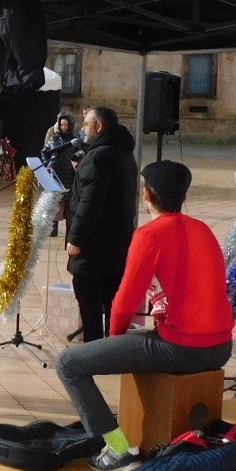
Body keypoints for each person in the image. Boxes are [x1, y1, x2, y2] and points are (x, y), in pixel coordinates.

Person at [55, 161, 234, 471]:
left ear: (146, 194)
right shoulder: (203, 229)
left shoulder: (149, 234)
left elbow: (125, 301)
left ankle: (119, 449)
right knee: (139, 344)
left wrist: (115, 340)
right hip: (222, 346)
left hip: (181, 348)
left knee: (68, 364)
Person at [64, 107, 139, 344]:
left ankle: (93, 348)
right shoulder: (123, 153)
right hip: (117, 240)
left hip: (94, 245)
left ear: (99, 126)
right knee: (111, 298)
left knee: (87, 297)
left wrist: (75, 239)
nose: (83, 129)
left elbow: (90, 203)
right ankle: (111, 347)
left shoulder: (98, 158)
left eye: (87, 124)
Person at [41, 111, 81, 240]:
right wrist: (49, 163)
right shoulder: (54, 139)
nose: (64, 127)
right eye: (62, 125)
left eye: (66, 125)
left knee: (69, 209)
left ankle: (69, 235)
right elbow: (45, 152)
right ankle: (53, 230)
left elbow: (80, 154)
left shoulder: (76, 141)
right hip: (55, 176)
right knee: (54, 205)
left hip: (69, 176)